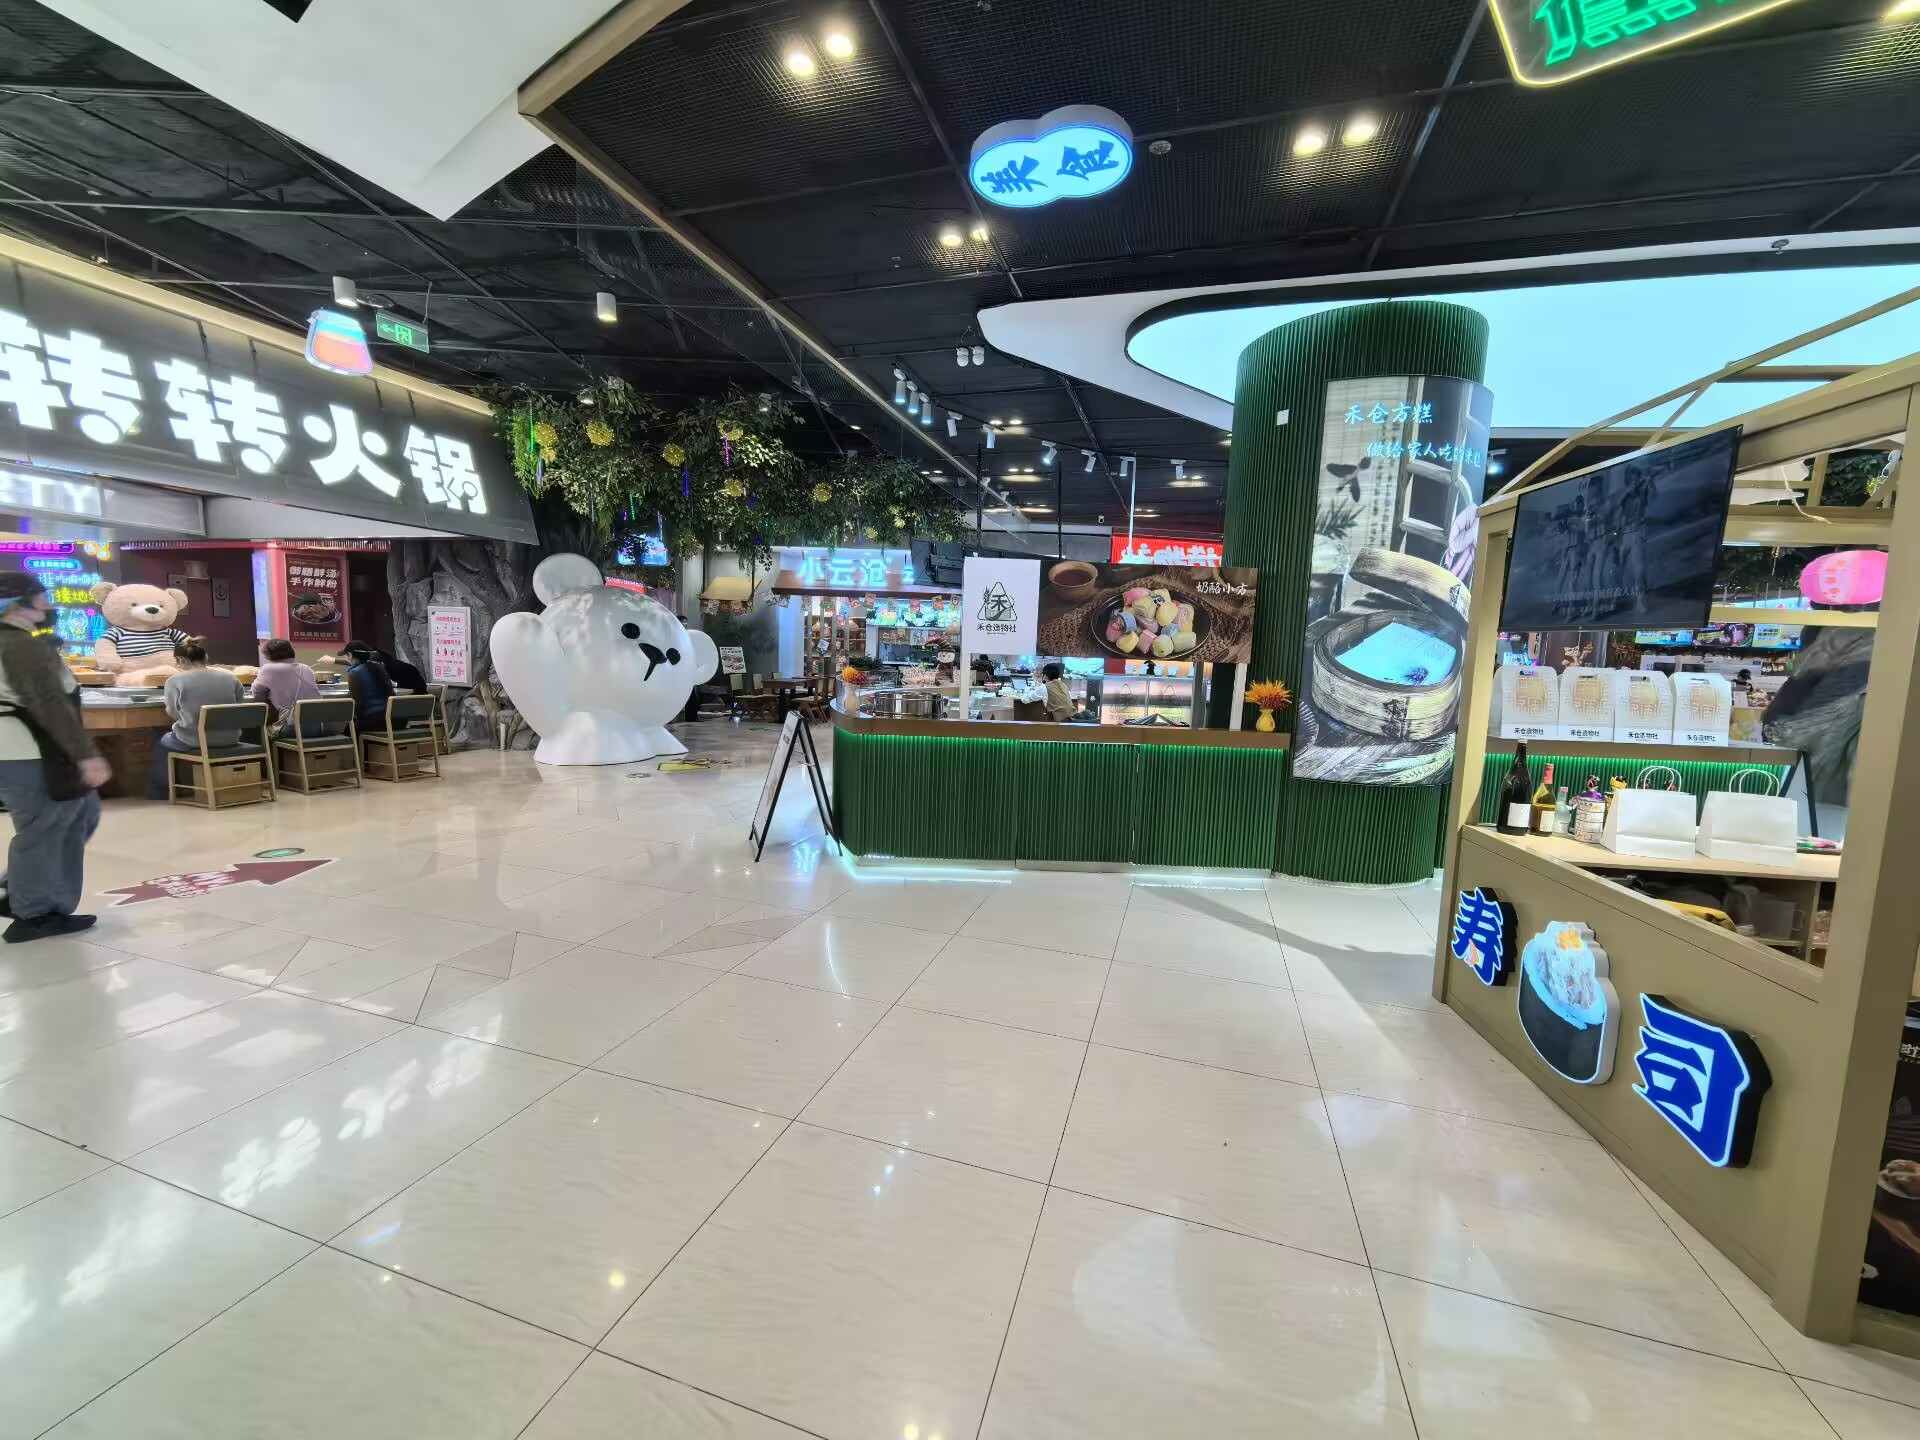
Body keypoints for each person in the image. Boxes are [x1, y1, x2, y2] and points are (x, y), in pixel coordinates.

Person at [0, 573, 111, 943]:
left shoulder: (21, 643)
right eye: (41, 597)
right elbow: (49, 704)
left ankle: (22, 888)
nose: (49, 604)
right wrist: (85, 754)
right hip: (31, 751)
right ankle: (33, 912)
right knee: (45, 826)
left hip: (21, 751)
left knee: (79, 813)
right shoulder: (19, 645)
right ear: (18, 603)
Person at [149, 637, 244, 799]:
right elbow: (238, 705)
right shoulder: (230, 677)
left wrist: (187, 718)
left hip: (194, 740)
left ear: (180, 660)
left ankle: (162, 793)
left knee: (161, 739)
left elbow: (172, 711)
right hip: (231, 738)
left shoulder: (175, 680)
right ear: (205, 657)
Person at [250, 638, 321, 735]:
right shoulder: (306, 668)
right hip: (319, 727)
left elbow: (257, 694)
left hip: (292, 728)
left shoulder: (268, 669)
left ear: (268, 655)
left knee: (256, 731)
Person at [341, 640, 396, 734]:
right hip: (395, 719)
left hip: (378, 721)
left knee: (348, 730)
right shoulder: (380, 667)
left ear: (350, 655)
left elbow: (356, 703)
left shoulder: (354, 672)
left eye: (346, 655)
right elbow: (391, 693)